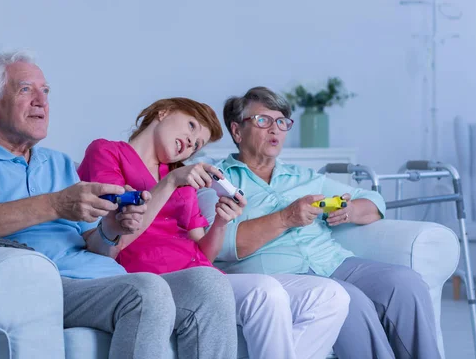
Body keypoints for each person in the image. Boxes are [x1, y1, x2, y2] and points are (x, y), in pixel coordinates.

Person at [0, 51, 238, 359]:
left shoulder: (58, 163)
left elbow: (99, 247)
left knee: (209, 285)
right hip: (45, 282)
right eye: (25, 89)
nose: (41, 101)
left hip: (103, 277)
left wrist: (113, 227)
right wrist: (56, 204)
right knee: (146, 291)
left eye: (45, 91)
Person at [77, 97, 350, 359]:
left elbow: (204, 253)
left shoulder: (179, 176)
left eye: (197, 145)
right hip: (155, 278)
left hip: (205, 275)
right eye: (191, 126)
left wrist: (221, 222)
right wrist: (170, 182)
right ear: (163, 112)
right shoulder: (108, 151)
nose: (190, 144)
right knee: (264, 292)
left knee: (330, 295)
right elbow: (114, 234)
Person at [202, 86, 441, 359]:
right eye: (263, 120)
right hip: (280, 274)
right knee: (352, 300)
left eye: (281, 122)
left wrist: (349, 210)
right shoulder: (216, 179)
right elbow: (222, 246)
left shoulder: (303, 176)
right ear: (236, 131)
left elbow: (374, 201)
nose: (275, 130)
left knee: (405, 282)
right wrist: (285, 218)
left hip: (334, 262)